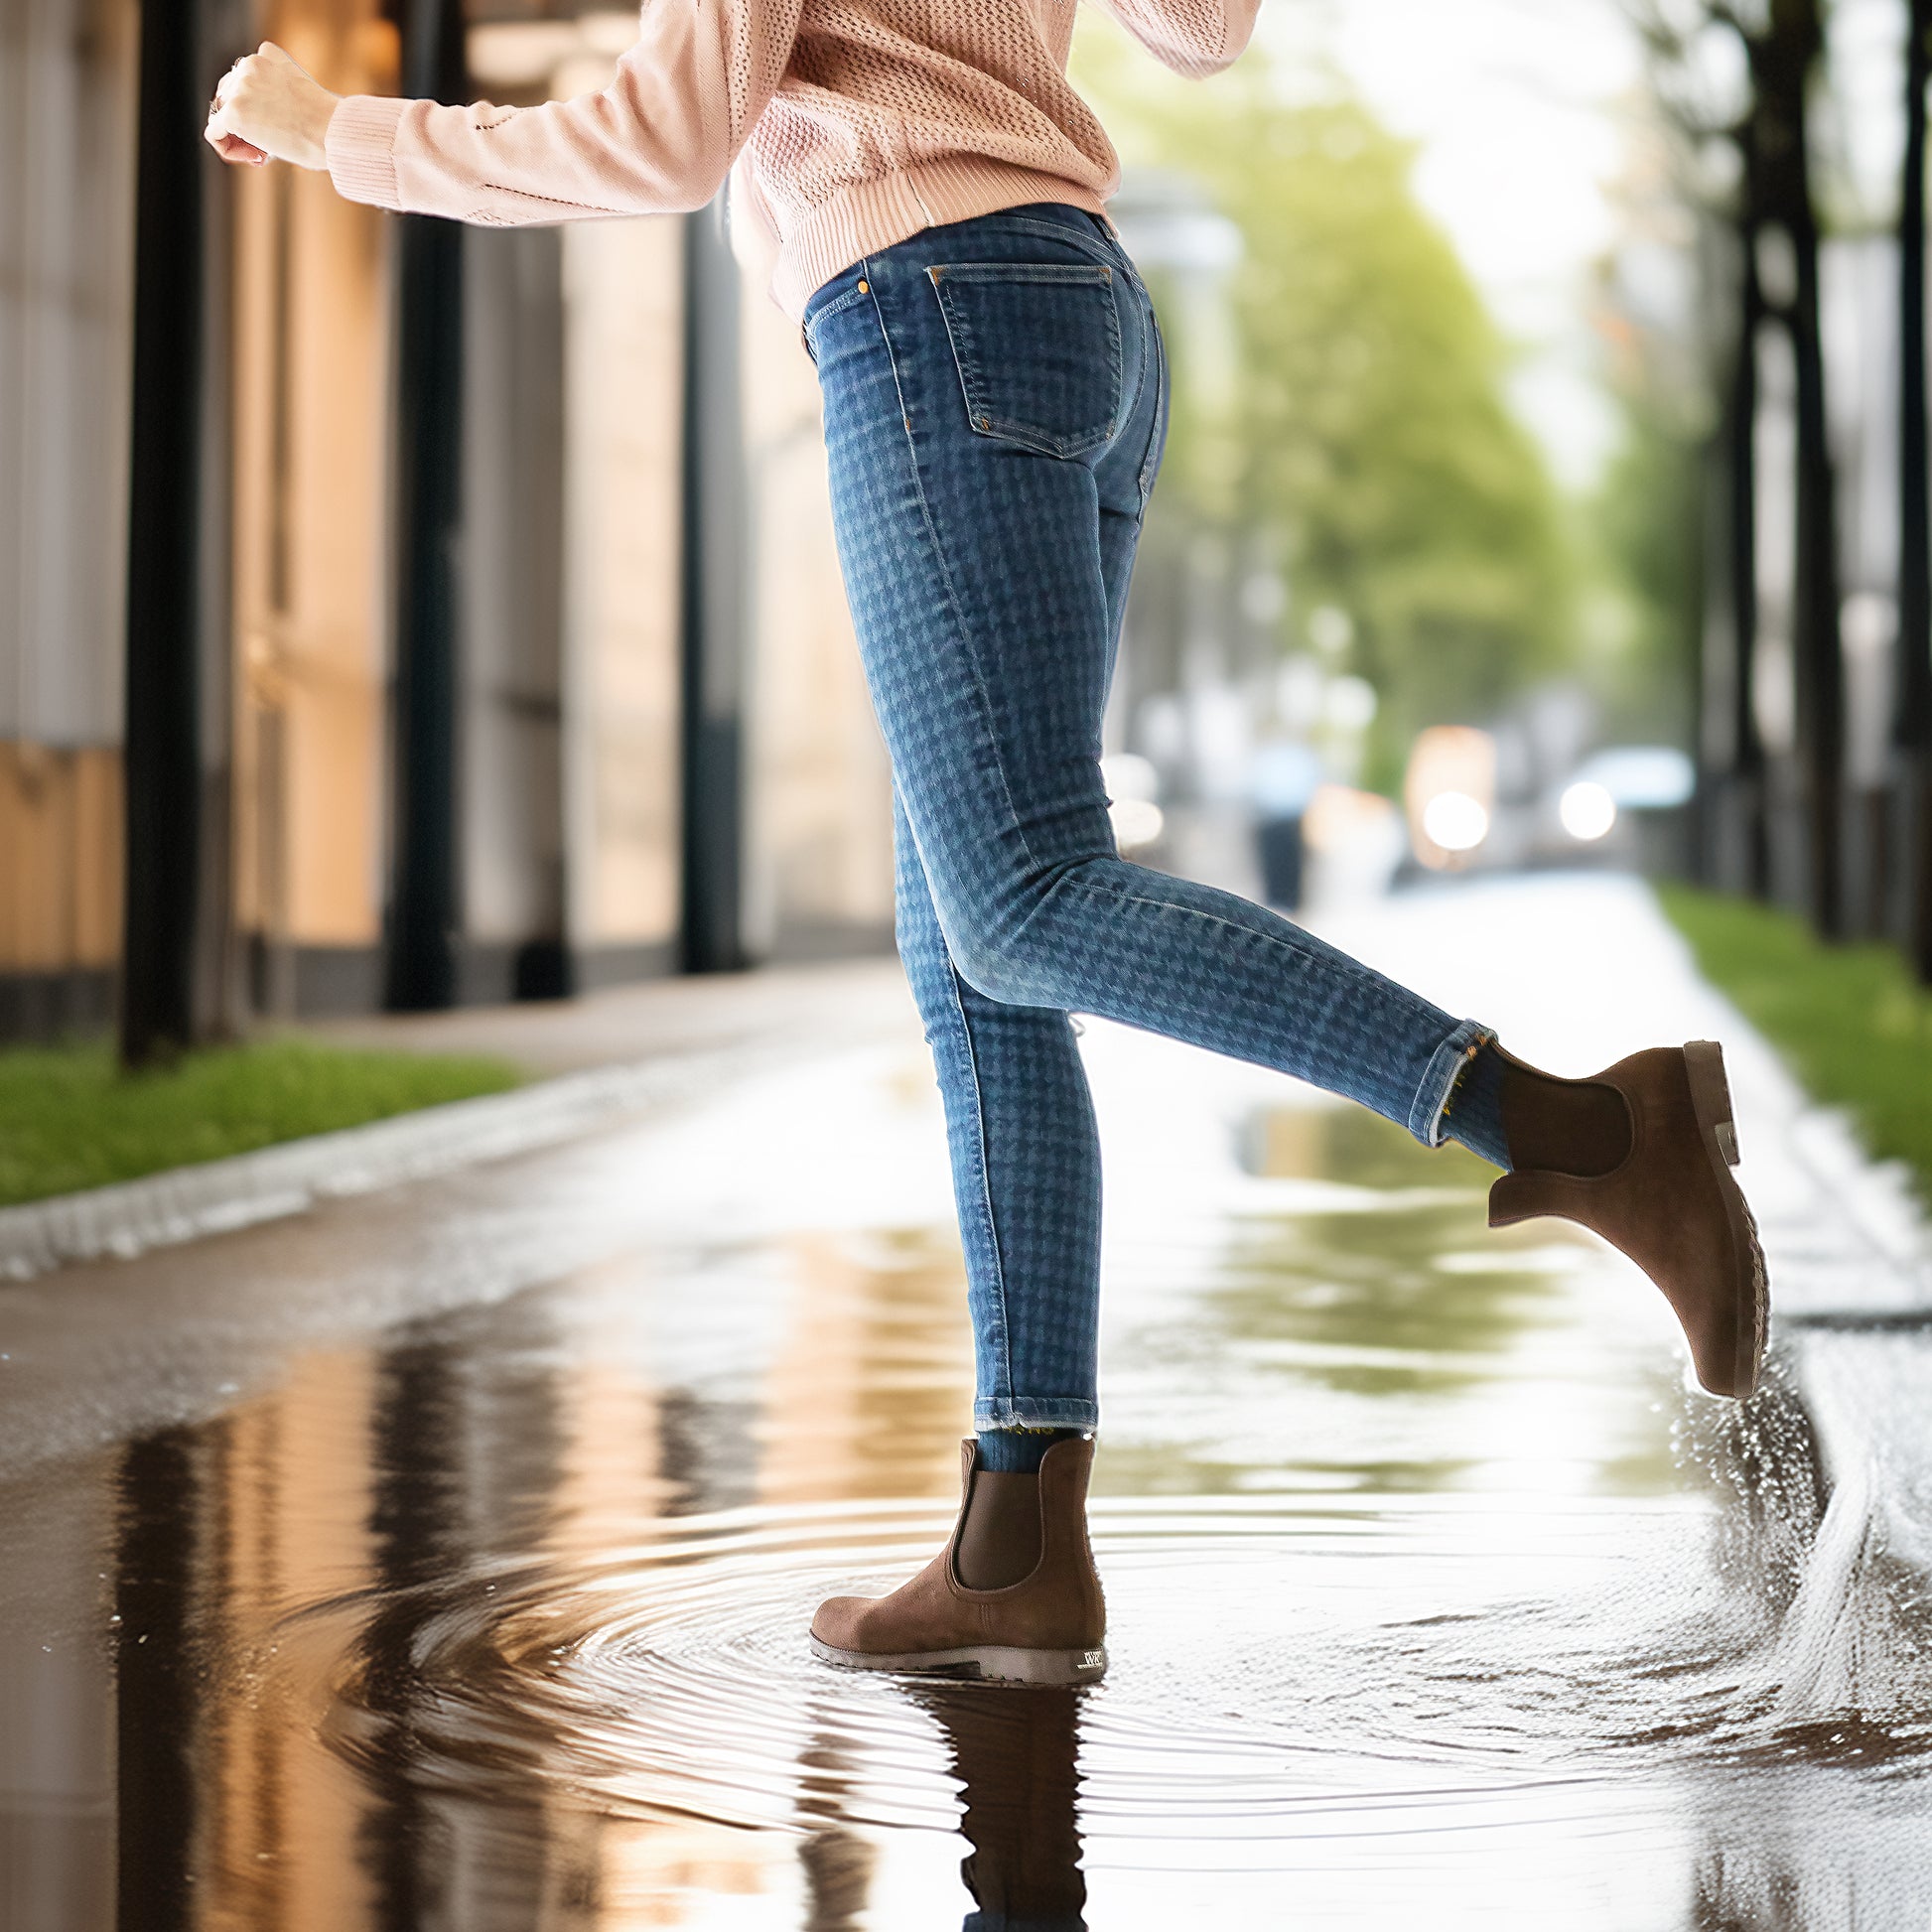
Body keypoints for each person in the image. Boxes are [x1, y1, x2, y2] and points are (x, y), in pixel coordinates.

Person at [207, 1, 1767, 1691]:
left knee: (1018, 899)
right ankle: (1011, 1539)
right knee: (975, 939)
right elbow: (1203, 29)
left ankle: (1580, 1127)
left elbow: (658, 137)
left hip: (926, 300)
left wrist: (331, 131)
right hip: (1070, 302)